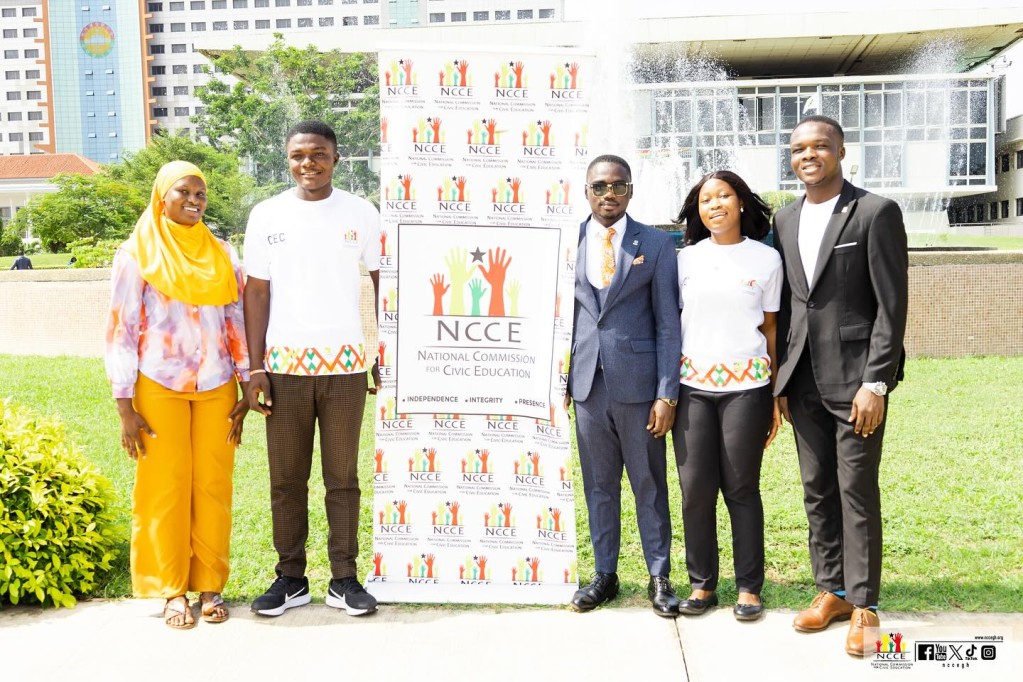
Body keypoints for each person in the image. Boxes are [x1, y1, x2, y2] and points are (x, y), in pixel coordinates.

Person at [773, 115, 908, 656]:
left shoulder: (875, 212)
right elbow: (792, 303)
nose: (808, 155)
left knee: (856, 490)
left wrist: (877, 382)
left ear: (841, 151)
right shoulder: (785, 218)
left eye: (820, 146)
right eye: (798, 149)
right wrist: (782, 381)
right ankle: (833, 590)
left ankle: (866, 604)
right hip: (802, 379)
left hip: (856, 382)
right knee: (816, 489)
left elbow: (892, 308)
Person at [244, 120, 381, 618]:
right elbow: (256, 293)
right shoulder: (267, 215)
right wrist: (255, 369)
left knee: (342, 479)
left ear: (335, 158)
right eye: (299, 155)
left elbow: (383, 283)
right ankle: (291, 578)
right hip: (283, 370)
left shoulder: (361, 213)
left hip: (345, 370)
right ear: (288, 161)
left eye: (318, 154)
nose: (308, 163)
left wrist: (383, 352)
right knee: (286, 480)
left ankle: (344, 578)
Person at [105, 160, 250, 629]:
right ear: (161, 197)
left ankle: (210, 586)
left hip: (217, 385)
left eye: (200, 194)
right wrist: (124, 405)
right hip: (158, 385)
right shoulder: (136, 255)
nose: (193, 201)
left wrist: (247, 382)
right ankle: (172, 591)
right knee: (164, 487)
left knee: (213, 485)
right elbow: (122, 330)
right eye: (183, 192)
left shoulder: (222, 253)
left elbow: (235, 320)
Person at [566, 154, 682, 617]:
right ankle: (605, 575)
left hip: (640, 387)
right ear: (586, 191)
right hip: (587, 385)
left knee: (649, 484)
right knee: (599, 485)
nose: (608, 194)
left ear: (630, 190)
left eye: (618, 185)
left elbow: (668, 323)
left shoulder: (655, 243)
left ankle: (660, 577)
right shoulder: (568, 241)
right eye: (599, 186)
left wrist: (667, 392)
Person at [671, 171, 783, 622]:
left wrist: (774, 393)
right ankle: (702, 584)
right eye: (705, 199)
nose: (714, 204)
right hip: (692, 388)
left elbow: (771, 328)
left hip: (747, 390)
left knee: (741, 488)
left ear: (741, 203)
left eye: (724, 196)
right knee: (695, 490)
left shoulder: (766, 260)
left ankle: (749, 587)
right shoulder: (684, 260)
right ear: (697, 210)